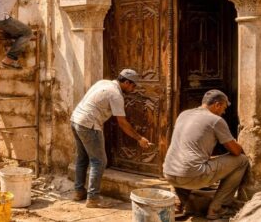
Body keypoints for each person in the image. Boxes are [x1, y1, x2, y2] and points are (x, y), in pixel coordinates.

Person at [71, 69, 152, 207]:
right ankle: (93, 198)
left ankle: (79, 192)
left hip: (76, 120)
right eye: (133, 86)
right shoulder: (116, 95)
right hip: (89, 125)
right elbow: (122, 123)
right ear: (126, 82)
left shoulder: (104, 83)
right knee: (99, 162)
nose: (134, 89)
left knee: (82, 158)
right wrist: (139, 138)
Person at [163, 90, 249, 219]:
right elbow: (236, 151)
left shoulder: (183, 114)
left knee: (185, 164)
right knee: (242, 161)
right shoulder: (215, 120)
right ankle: (217, 208)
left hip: (169, 173)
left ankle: (178, 204)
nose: (224, 112)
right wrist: (239, 143)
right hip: (191, 176)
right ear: (217, 105)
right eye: (224, 108)